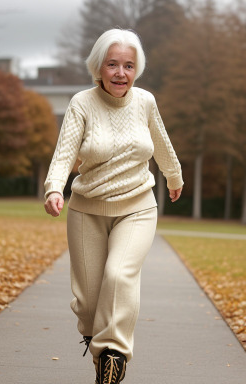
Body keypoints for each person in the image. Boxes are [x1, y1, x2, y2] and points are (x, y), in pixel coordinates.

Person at [44, 28, 183, 384]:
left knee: (118, 276)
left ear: (137, 69)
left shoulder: (145, 102)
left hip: (137, 206)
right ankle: (100, 349)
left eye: (128, 65)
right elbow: (65, 153)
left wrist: (174, 176)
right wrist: (54, 188)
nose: (121, 73)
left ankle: (114, 358)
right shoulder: (81, 103)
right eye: (113, 64)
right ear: (99, 67)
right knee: (89, 304)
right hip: (86, 209)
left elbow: (162, 144)